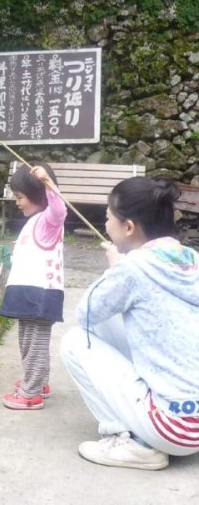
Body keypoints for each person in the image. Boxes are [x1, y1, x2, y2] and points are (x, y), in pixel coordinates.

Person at [61, 176, 199, 470]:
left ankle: (134, 444)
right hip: (194, 422)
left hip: (174, 428)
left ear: (128, 227)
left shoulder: (133, 268)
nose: (105, 224)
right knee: (107, 321)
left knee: (74, 341)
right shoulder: (190, 259)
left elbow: (85, 313)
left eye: (108, 217)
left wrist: (118, 267)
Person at [0, 161, 67, 410]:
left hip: (40, 292)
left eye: (20, 197)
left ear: (39, 194)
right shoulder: (36, 220)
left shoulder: (50, 220)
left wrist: (48, 182)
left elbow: (60, 211)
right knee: (28, 339)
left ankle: (31, 394)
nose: (17, 202)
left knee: (34, 342)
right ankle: (39, 382)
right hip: (29, 291)